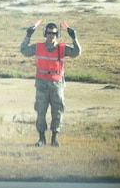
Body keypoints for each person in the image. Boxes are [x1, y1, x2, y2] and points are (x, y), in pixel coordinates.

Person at [21, 17, 81, 146]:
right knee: (41, 111)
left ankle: (55, 138)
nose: (51, 35)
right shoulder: (38, 47)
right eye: (48, 33)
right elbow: (24, 51)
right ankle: (41, 139)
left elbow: (77, 52)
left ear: (57, 34)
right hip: (41, 84)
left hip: (57, 84)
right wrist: (28, 35)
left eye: (53, 33)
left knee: (58, 110)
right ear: (45, 34)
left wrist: (74, 38)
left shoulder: (62, 48)